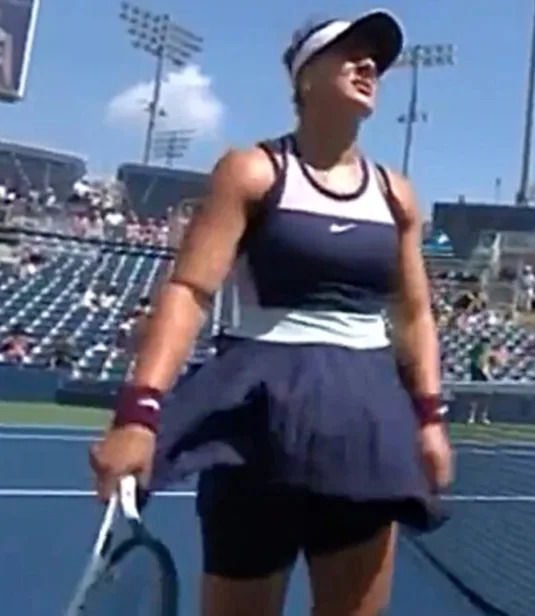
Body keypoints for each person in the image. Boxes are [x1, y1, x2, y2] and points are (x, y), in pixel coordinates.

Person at [88, 11, 452, 616]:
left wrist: (429, 418)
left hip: (366, 426)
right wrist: (138, 413)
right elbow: (189, 292)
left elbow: (414, 315)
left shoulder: (397, 194)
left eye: (376, 60)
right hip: (257, 427)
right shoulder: (251, 171)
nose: (369, 67)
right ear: (305, 78)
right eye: (349, 54)